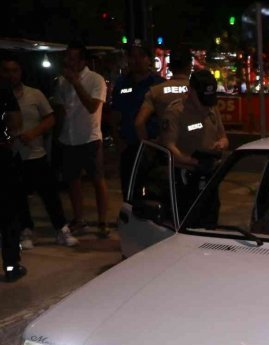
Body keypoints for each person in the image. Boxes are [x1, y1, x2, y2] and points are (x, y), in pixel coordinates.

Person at [0, 56, 78, 249]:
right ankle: (26, 230)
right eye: (6, 71)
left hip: (35, 153)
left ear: (21, 72)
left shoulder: (34, 94)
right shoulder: (1, 95)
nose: (11, 75)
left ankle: (61, 228)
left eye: (14, 70)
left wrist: (33, 133)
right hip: (11, 155)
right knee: (17, 196)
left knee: (49, 194)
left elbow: (50, 119)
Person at [53, 40, 110, 238]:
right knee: (73, 181)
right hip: (68, 138)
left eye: (74, 58)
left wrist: (76, 82)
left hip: (89, 138)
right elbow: (60, 110)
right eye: (68, 57)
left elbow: (92, 106)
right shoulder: (61, 81)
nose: (70, 61)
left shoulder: (96, 80)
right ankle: (79, 219)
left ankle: (103, 221)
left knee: (97, 180)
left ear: (83, 60)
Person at [159, 69, 228, 216]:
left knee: (210, 216)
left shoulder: (212, 108)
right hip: (185, 177)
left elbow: (223, 137)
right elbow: (169, 146)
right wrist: (193, 161)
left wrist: (221, 144)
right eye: (202, 99)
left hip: (209, 174)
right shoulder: (175, 111)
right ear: (191, 91)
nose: (205, 105)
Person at [110, 41, 164, 194]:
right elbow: (115, 115)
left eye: (141, 56)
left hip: (154, 148)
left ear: (149, 59)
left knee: (156, 192)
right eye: (132, 56)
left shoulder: (159, 84)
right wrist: (117, 141)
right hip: (129, 147)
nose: (137, 60)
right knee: (129, 192)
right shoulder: (121, 83)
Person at [135, 46, 193, 142]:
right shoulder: (197, 90)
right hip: (194, 148)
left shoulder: (156, 91)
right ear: (190, 66)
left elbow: (139, 123)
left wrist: (149, 149)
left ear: (169, 67)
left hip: (166, 150)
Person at [0, 79, 25, 281]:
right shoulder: (3, 90)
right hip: (1, 158)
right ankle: (11, 266)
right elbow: (16, 122)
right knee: (8, 214)